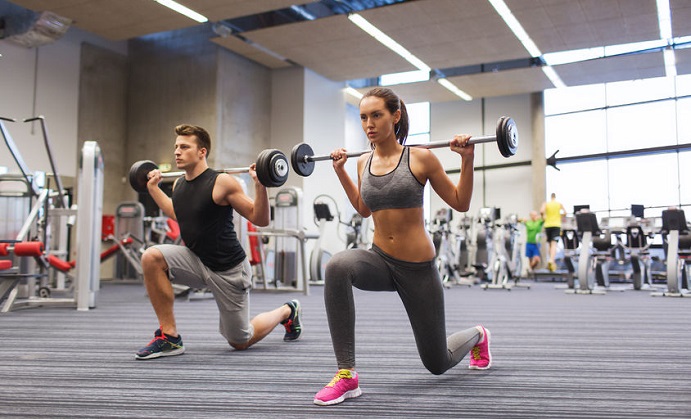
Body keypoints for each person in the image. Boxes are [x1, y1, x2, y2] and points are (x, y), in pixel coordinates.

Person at [313, 87, 491, 406]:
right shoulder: (363, 162)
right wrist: (340, 171)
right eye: (364, 117)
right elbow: (364, 208)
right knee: (338, 266)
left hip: (417, 269)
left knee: (437, 363)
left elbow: (461, 203)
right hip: (380, 261)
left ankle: (478, 334)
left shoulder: (420, 157)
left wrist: (467, 159)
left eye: (376, 115)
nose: (369, 123)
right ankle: (346, 374)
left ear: (395, 116)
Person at [134, 124, 302, 360]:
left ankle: (287, 310)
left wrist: (259, 184)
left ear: (202, 152)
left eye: (184, 147)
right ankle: (169, 337)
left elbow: (260, 218)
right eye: (176, 147)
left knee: (240, 341)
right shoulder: (179, 184)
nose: (177, 152)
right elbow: (177, 213)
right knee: (151, 257)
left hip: (228, 270)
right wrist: (153, 189)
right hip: (196, 261)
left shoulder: (222, 182)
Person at [540, 192, 566, 272]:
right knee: (554, 243)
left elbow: (541, 211)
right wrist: (559, 216)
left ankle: (551, 260)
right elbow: (565, 212)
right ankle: (551, 260)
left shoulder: (546, 204)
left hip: (548, 225)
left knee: (549, 244)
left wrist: (544, 218)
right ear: (555, 197)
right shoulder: (559, 204)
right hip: (556, 225)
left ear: (551, 197)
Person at [520, 210, 544, 275]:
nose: (534, 216)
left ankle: (530, 270)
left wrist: (541, 215)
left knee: (536, 259)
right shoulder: (528, 222)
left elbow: (544, 218)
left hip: (536, 243)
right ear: (530, 216)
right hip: (529, 243)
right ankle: (531, 272)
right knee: (530, 259)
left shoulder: (539, 222)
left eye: (535, 215)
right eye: (533, 215)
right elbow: (519, 220)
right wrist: (523, 219)